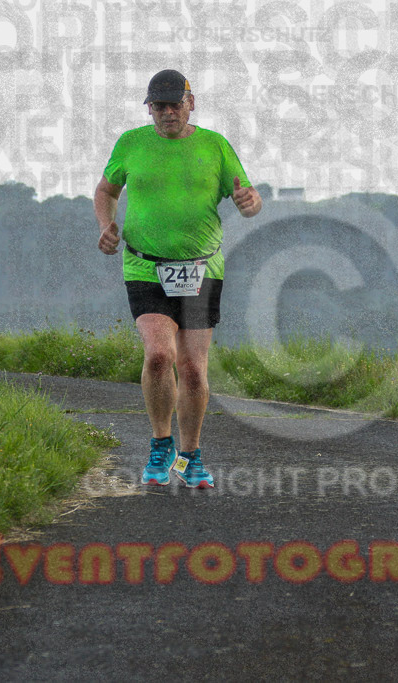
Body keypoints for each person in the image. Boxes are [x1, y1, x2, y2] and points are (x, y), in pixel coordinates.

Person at [94, 69, 262, 488]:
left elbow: (249, 201)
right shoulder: (131, 143)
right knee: (157, 356)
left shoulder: (215, 146)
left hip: (201, 268)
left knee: (191, 370)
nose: (167, 113)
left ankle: (190, 457)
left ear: (191, 103)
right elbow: (106, 191)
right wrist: (106, 224)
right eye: (159, 106)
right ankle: (160, 443)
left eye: (174, 104)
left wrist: (250, 201)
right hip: (144, 265)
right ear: (149, 108)